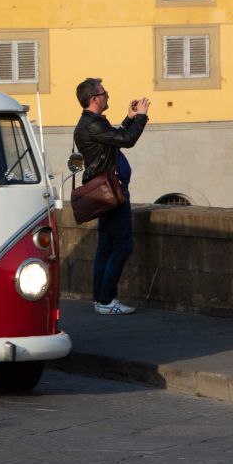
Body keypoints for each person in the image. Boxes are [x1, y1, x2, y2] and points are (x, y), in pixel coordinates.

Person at [73, 78, 149, 315]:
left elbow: (114, 137)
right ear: (95, 98)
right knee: (122, 246)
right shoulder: (91, 124)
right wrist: (142, 117)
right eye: (104, 93)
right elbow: (126, 140)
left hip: (106, 192)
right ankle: (106, 300)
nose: (108, 97)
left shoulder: (92, 123)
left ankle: (101, 299)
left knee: (106, 247)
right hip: (110, 193)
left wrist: (129, 117)